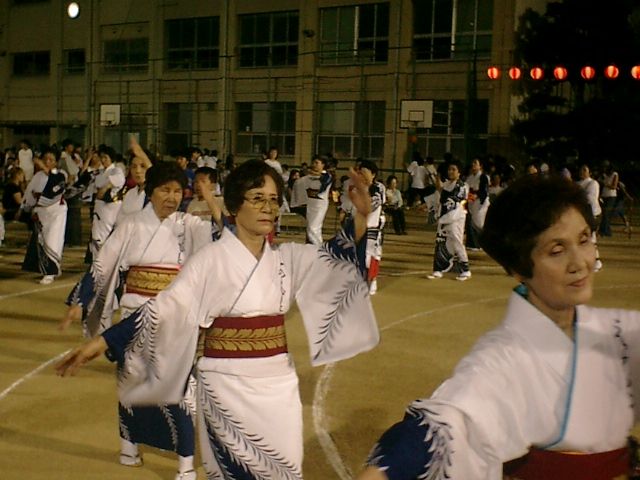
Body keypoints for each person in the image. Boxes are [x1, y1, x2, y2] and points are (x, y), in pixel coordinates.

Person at [57, 159, 379, 480]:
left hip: (279, 385)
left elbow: (336, 258)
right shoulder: (209, 261)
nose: (268, 208)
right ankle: (137, 445)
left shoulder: (287, 258)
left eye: (273, 200)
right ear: (236, 205)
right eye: (257, 198)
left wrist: (361, 216)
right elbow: (164, 308)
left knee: (285, 469)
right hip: (226, 387)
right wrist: (104, 340)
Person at [357, 174, 640, 480]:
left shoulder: (610, 330)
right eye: (556, 251)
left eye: (584, 240)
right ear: (519, 268)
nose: (579, 262)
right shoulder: (504, 360)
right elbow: (443, 424)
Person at [61, 162, 221, 480]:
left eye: (178, 191)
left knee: (179, 389)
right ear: (150, 192)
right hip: (134, 312)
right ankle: (129, 445)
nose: (172, 197)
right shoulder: (131, 224)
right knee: (130, 382)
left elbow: (220, 241)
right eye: (165, 190)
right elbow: (103, 264)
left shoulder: (191, 225)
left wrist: (212, 201)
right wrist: (81, 300)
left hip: (175, 315)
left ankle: (186, 464)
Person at [20, 149, 68, 284]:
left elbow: (55, 187)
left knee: (53, 240)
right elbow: (30, 192)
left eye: (51, 160)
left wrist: (43, 167)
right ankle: (52, 268)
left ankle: (50, 272)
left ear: (56, 162)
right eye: (45, 159)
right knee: (42, 240)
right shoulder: (38, 176)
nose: (47, 162)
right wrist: (26, 207)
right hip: (42, 212)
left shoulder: (61, 175)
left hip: (56, 211)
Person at [427, 159, 471, 281]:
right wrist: (436, 176)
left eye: (454, 169)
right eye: (449, 169)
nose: (451, 172)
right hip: (445, 217)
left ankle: (466, 269)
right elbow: (440, 189)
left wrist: (441, 216)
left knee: (457, 242)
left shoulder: (461, 186)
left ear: (459, 172)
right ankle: (438, 269)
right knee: (441, 242)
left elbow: (454, 201)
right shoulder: (448, 184)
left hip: (455, 217)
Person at [89, 145, 126, 259]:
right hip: (99, 206)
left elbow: (119, 180)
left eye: (106, 157)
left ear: (111, 158)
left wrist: (106, 187)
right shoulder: (100, 172)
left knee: (106, 234)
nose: (103, 160)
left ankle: (105, 261)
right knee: (96, 235)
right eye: (102, 158)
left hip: (111, 207)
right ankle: (97, 261)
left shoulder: (116, 170)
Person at [360, 160, 385, 295]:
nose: (362, 175)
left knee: (371, 254)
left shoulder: (378, 187)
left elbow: (374, 204)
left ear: (373, 174)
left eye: (365, 173)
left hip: (374, 225)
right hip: (360, 225)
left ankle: (372, 280)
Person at [295, 155, 333, 245]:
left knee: (313, 228)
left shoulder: (327, 176)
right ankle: (311, 247)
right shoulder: (308, 177)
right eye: (313, 163)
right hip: (310, 205)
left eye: (317, 163)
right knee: (311, 228)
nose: (314, 165)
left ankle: (319, 248)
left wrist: (314, 174)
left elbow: (324, 183)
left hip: (319, 206)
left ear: (323, 164)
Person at [576, 164, 603, 272]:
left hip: (593, 213)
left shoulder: (593, 183)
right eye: (581, 169)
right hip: (581, 214)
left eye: (585, 170)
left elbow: (590, 199)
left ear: (589, 172)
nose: (582, 171)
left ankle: (596, 261)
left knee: (591, 237)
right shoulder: (577, 184)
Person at [465, 157, 490, 251]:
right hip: (472, 202)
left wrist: (476, 195)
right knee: (472, 223)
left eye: (475, 163)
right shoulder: (470, 177)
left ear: (480, 166)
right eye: (473, 163)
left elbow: (484, 191)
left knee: (479, 223)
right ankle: (474, 243)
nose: (473, 165)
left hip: (480, 203)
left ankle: (485, 242)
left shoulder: (483, 177)